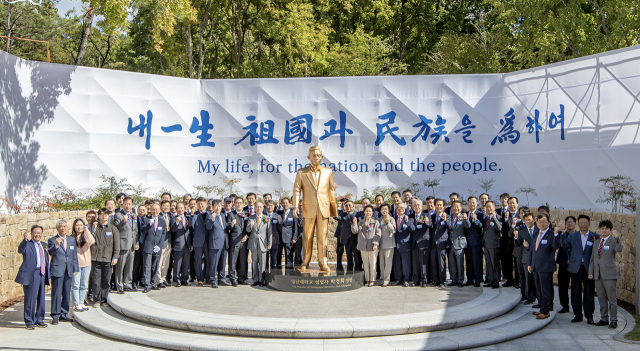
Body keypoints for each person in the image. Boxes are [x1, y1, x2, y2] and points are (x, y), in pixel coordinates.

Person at [291, 146, 339, 272]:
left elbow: (331, 190)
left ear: (321, 157)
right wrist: (295, 206)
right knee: (307, 236)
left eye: (318, 155)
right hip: (308, 208)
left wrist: (333, 208)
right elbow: (296, 189)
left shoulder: (328, 172)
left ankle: (323, 262)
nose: (316, 157)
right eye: (313, 155)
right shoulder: (302, 172)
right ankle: (305, 261)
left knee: (323, 237)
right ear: (309, 157)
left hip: (323, 208)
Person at [563, 215, 599, 324]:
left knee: (589, 292)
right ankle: (578, 314)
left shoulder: (594, 236)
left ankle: (589, 315)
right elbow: (565, 246)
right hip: (576, 267)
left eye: (585, 223)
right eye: (581, 223)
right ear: (578, 224)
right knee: (575, 292)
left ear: (589, 224)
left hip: (588, 268)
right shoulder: (573, 236)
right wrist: (562, 234)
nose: (583, 225)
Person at [589, 219, 622, 329]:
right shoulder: (596, 242)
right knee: (601, 298)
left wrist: (617, 237)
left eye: (606, 229)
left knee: (612, 299)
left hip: (609, 274)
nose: (604, 230)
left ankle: (614, 320)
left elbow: (619, 249)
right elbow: (592, 259)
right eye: (602, 228)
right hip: (598, 274)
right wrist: (591, 272)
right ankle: (604, 318)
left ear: (610, 230)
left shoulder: (613, 241)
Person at [16, 225, 50, 330]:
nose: (37, 235)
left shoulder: (44, 245)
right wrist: (25, 240)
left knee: (41, 298)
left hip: (42, 274)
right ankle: (29, 321)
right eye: (35, 233)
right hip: (31, 274)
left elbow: (50, 253)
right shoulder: (28, 244)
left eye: (39, 233)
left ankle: (39, 319)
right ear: (31, 234)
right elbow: (21, 250)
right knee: (30, 299)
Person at [47, 219, 79, 324]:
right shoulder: (52, 240)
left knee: (66, 292)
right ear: (57, 228)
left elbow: (74, 255)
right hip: (57, 270)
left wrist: (75, 268)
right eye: (61, 226)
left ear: (67, 227)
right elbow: (51, 252)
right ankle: (55, 315)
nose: (63, 228)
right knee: (56, 293)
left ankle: (64, 313)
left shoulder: (71, 240)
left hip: (68, 269)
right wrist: (56, 245)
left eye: (64, 226)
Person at [529, 213, 559, 319]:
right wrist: (530, 264)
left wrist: (556, 235)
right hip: (536, 266)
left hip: (546, 267)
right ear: (537, 223)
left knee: (546, 289)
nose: (542, 224)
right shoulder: (536, 233)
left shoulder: (551, 234)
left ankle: (546, 311)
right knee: (539, 289)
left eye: (544, 221)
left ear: (548, 223)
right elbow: (533, 250)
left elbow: (556, 246)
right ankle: (542, 307)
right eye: (540, 221)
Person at [90, 208, 120, 307]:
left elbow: (117, 245)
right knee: (96, 281)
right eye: (101, 214)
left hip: (108, 258)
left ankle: (104, 299)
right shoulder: (94, 227)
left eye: (105, 214)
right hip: (96, 258)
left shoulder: (113, 229)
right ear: (98, 216)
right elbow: (89, 239)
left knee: (106, 280)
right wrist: (93, 229)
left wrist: (115, 257)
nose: (103, 216)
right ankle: (97, 300)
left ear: (108, 216)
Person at [113, 197, 139, 294]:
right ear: (122, 204)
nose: (128, 206)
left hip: (132, 245)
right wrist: (123, 222)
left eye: (129, 204)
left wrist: (136, 242)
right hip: (123, 244)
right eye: (126, 204)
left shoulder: (133, 215)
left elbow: (135, 230)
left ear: (132, 205)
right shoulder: (118, 215)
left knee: (129, 266)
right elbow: (116, 228)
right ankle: (119, 286)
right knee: (120, 267)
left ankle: (127, 284)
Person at [351, 205, 381, 287]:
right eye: (366, 211)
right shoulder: (360, 222)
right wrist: (354, 224)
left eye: (370, 211)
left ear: (372, 213)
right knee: (365, 263)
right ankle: (367, 279)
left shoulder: (376, 222)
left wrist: (375, 243)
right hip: (363, 245)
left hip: (372, 245)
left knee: (372, 263)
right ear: (364, 212)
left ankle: (372, 279)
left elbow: (378, 233)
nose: (368, 212)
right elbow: (355, 231)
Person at [71, 218, 94, 312]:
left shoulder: (86, 237)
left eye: (81, 225)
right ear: (74, 227)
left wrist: (86, 229)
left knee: (84, 285)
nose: (79, 227)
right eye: (77, 225)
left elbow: (92, 241)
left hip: (87, 264)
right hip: (76, 264)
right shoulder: (71, 238)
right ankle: (76, 303)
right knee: (76, 285)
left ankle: (81, 302)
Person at [246, 201, 272, 286]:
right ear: (255, 208)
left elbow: (269, 232)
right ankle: (255, 279)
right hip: (254, 244)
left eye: (260, 207)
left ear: (263, 208)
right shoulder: (251, 218)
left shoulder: (266, 218)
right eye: (257, 207)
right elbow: (247, 230)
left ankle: (261, 280)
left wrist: (269, 243)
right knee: (254, 262)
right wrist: (250, 225)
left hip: (263, 244)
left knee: (262, 263)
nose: (259, 208)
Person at [140, 203, 164, 293]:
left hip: (157, 247)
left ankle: (153, 283)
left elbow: (164, 234)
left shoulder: (161, 221)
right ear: (150, 210)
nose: (155, 211)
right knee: (147, 266)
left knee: (155, 266)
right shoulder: (146, 220)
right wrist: (148, 225)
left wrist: (160, 245)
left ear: (159, 211)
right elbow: (143, 231)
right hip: (148, 246)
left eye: (157, 210)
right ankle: (147, 285)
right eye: (153, 209)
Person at [515, 211, 537, 304]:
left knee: (535, 278)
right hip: (526, 257)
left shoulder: (538, 230)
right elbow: (518, 243)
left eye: (530, 220)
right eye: (526, 220)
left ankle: (535, 295)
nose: (528, 222)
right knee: (527, 278)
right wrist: (516, 238)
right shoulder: (522, 232)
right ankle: (528, 296)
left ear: (534, 220)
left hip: (536, 257)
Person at [447, 201, 469, 287]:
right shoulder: (449, 217)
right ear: (451, 208)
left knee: (460, 263)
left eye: (458, 206)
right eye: (454, 206)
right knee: (451, 263)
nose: (456, 208)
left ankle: (460, 280)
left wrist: (466, 218)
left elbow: (468, 226)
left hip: (459, 243)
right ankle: (454, 279)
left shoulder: (463, 217)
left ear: (461, 208)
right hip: (450, 243)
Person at [206, 199, 227, 288]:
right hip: (214, 243)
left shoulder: (223, 215)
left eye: (219, 206)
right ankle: (213, 280)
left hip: (223, 243)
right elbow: (208, 227)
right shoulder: (209, 216)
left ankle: (221, 279)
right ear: (213, 207)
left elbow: (224, 230)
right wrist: (212, 219)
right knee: (214, 263)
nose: (218, 208)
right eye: (216, 206)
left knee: (223, 262)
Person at [410, 198, 431, 287]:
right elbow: (411, 228)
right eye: (415, 205)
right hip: (414, 243)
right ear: (412, 207)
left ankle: (424, 279)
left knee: (423, 262)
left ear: (422, 207)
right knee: (415, 262)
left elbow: (430, 225)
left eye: (419, 205)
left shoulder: (426, 215)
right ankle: (416, 279)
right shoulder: (410, 216)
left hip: (423, 242)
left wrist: (427, 222)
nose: (417, 207)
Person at [170, 202, 192, 287]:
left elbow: (190, 231)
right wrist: (176, 222)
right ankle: (177, 279)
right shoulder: (173, 219)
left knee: (186, 263)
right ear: (176, 209)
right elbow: (172, 230)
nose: (180, 209)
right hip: (178, 245)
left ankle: (184, 279)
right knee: (177, 264)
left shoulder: (187, 218)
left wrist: (191, 244)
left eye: (182, 208)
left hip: (187, 244)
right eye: (178, 208)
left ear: (184, 209)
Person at [429, 199, 450, 288]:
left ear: (443, 206)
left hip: (442, 243)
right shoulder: (432, 216)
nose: (439, 206)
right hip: (433, 244)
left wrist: (445, 220)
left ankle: (442, 280)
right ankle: (435, 280)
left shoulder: (447, 216)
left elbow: (450, 226)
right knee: (433, 263)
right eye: (437, 205)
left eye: (440, 205)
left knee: (441, 263)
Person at [482, 202, 502, 289]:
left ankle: (496, 281)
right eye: (487, 207)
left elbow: (500, 228)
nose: (488, 208)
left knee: (495, 263)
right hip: (486, 245)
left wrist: (495, 219)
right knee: (488, 264)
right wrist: (483, 244)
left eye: (490, 207)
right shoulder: (486, 218)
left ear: (494, 207)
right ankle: (491, 279)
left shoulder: (498, 217)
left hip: (494, 244)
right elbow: (484, 232)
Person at [393, 203, 413, 287]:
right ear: (396, 210)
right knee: (397, 264)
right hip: (396, 245)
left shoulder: (409, 218)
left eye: (402, 207)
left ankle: (406, 279)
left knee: (406, 264)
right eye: (398, 207)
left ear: (405, 209)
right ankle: (398, 279)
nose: (400, 209)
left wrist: (407, 221)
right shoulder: (394, 219)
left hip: (405, 245)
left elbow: (413, 229)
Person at [465, 196, 484, 287]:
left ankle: (478, 279)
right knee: (469, 261)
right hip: (467, 241)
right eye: (470, 202)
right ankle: (470, 279)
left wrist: (476, 220)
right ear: (468, 203)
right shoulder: (466, 214)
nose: (472, 204)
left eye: (473, 202)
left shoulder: (480, 214)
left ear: (477, 203)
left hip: (476, 241)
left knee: (476, 261)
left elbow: (481, 226)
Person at [500, 196, 518, 287]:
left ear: (517, 204)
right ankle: (509, 280)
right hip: (507, 243)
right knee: (507, 263)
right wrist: (506, 220)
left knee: (518, 263)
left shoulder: (520, 215)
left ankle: (518, 281)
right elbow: (502, 229)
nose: (511, 205)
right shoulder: (505, 215)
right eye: (509, 203)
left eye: (513, 203)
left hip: (518, 244)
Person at [377, 203, 396, 287]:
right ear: (380, 211)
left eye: (386, 209)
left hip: (389, 245)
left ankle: (386, 280)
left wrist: (388, 223)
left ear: (388, 210)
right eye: (383, 209)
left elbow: (393, 230)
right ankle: (382, 278)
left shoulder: (392, 219)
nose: (384, 210)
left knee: (388, 263)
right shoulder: (378, 220)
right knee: (381, 263)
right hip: (380, 245)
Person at [156, 200, 174, 288]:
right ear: (161, 207)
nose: (166, 207)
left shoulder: (170, 216)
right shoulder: (158, 216)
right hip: (160, 243)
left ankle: (163, 279)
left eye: (168, 206)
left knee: (165, 263)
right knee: (159, 262)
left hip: (168, 243)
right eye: (164, 206)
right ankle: (158, 280)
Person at [335, 200, 358, 270]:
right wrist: (335, 208)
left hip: (356, 239)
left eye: (350, 205)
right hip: (347, 239)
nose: (348, 207)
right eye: (346, 205)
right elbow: (336, 217)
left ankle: (358, 271)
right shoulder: (343, 215)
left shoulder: (357, 214)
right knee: (349, 256)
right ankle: (349, 271)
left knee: (357, 256)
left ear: (353, 206)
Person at [277, 198, 299, 269]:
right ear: (281, 204)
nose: (285, 204)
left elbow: (296, 227)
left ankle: (289, 275)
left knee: (289, 258)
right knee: (278, 257)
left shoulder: (293, 213)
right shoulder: (279, 213)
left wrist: (294, 238)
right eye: (283, 203)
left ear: (289, 204)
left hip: (289, 239)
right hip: (279, 238)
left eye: (286, 203)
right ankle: (278, 275)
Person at [265, 200, 280, 269]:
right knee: (265, 260)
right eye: (268, 205)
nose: (270, 207)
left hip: (274, 240)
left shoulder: (277, 216)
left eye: (271, 205)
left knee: (274, 261)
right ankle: (265, 277)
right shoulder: (263, 216)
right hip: (265, 240)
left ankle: (274, 277)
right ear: (265, 206)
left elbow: (280, 229)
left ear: (274, 207)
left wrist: (280, 223)